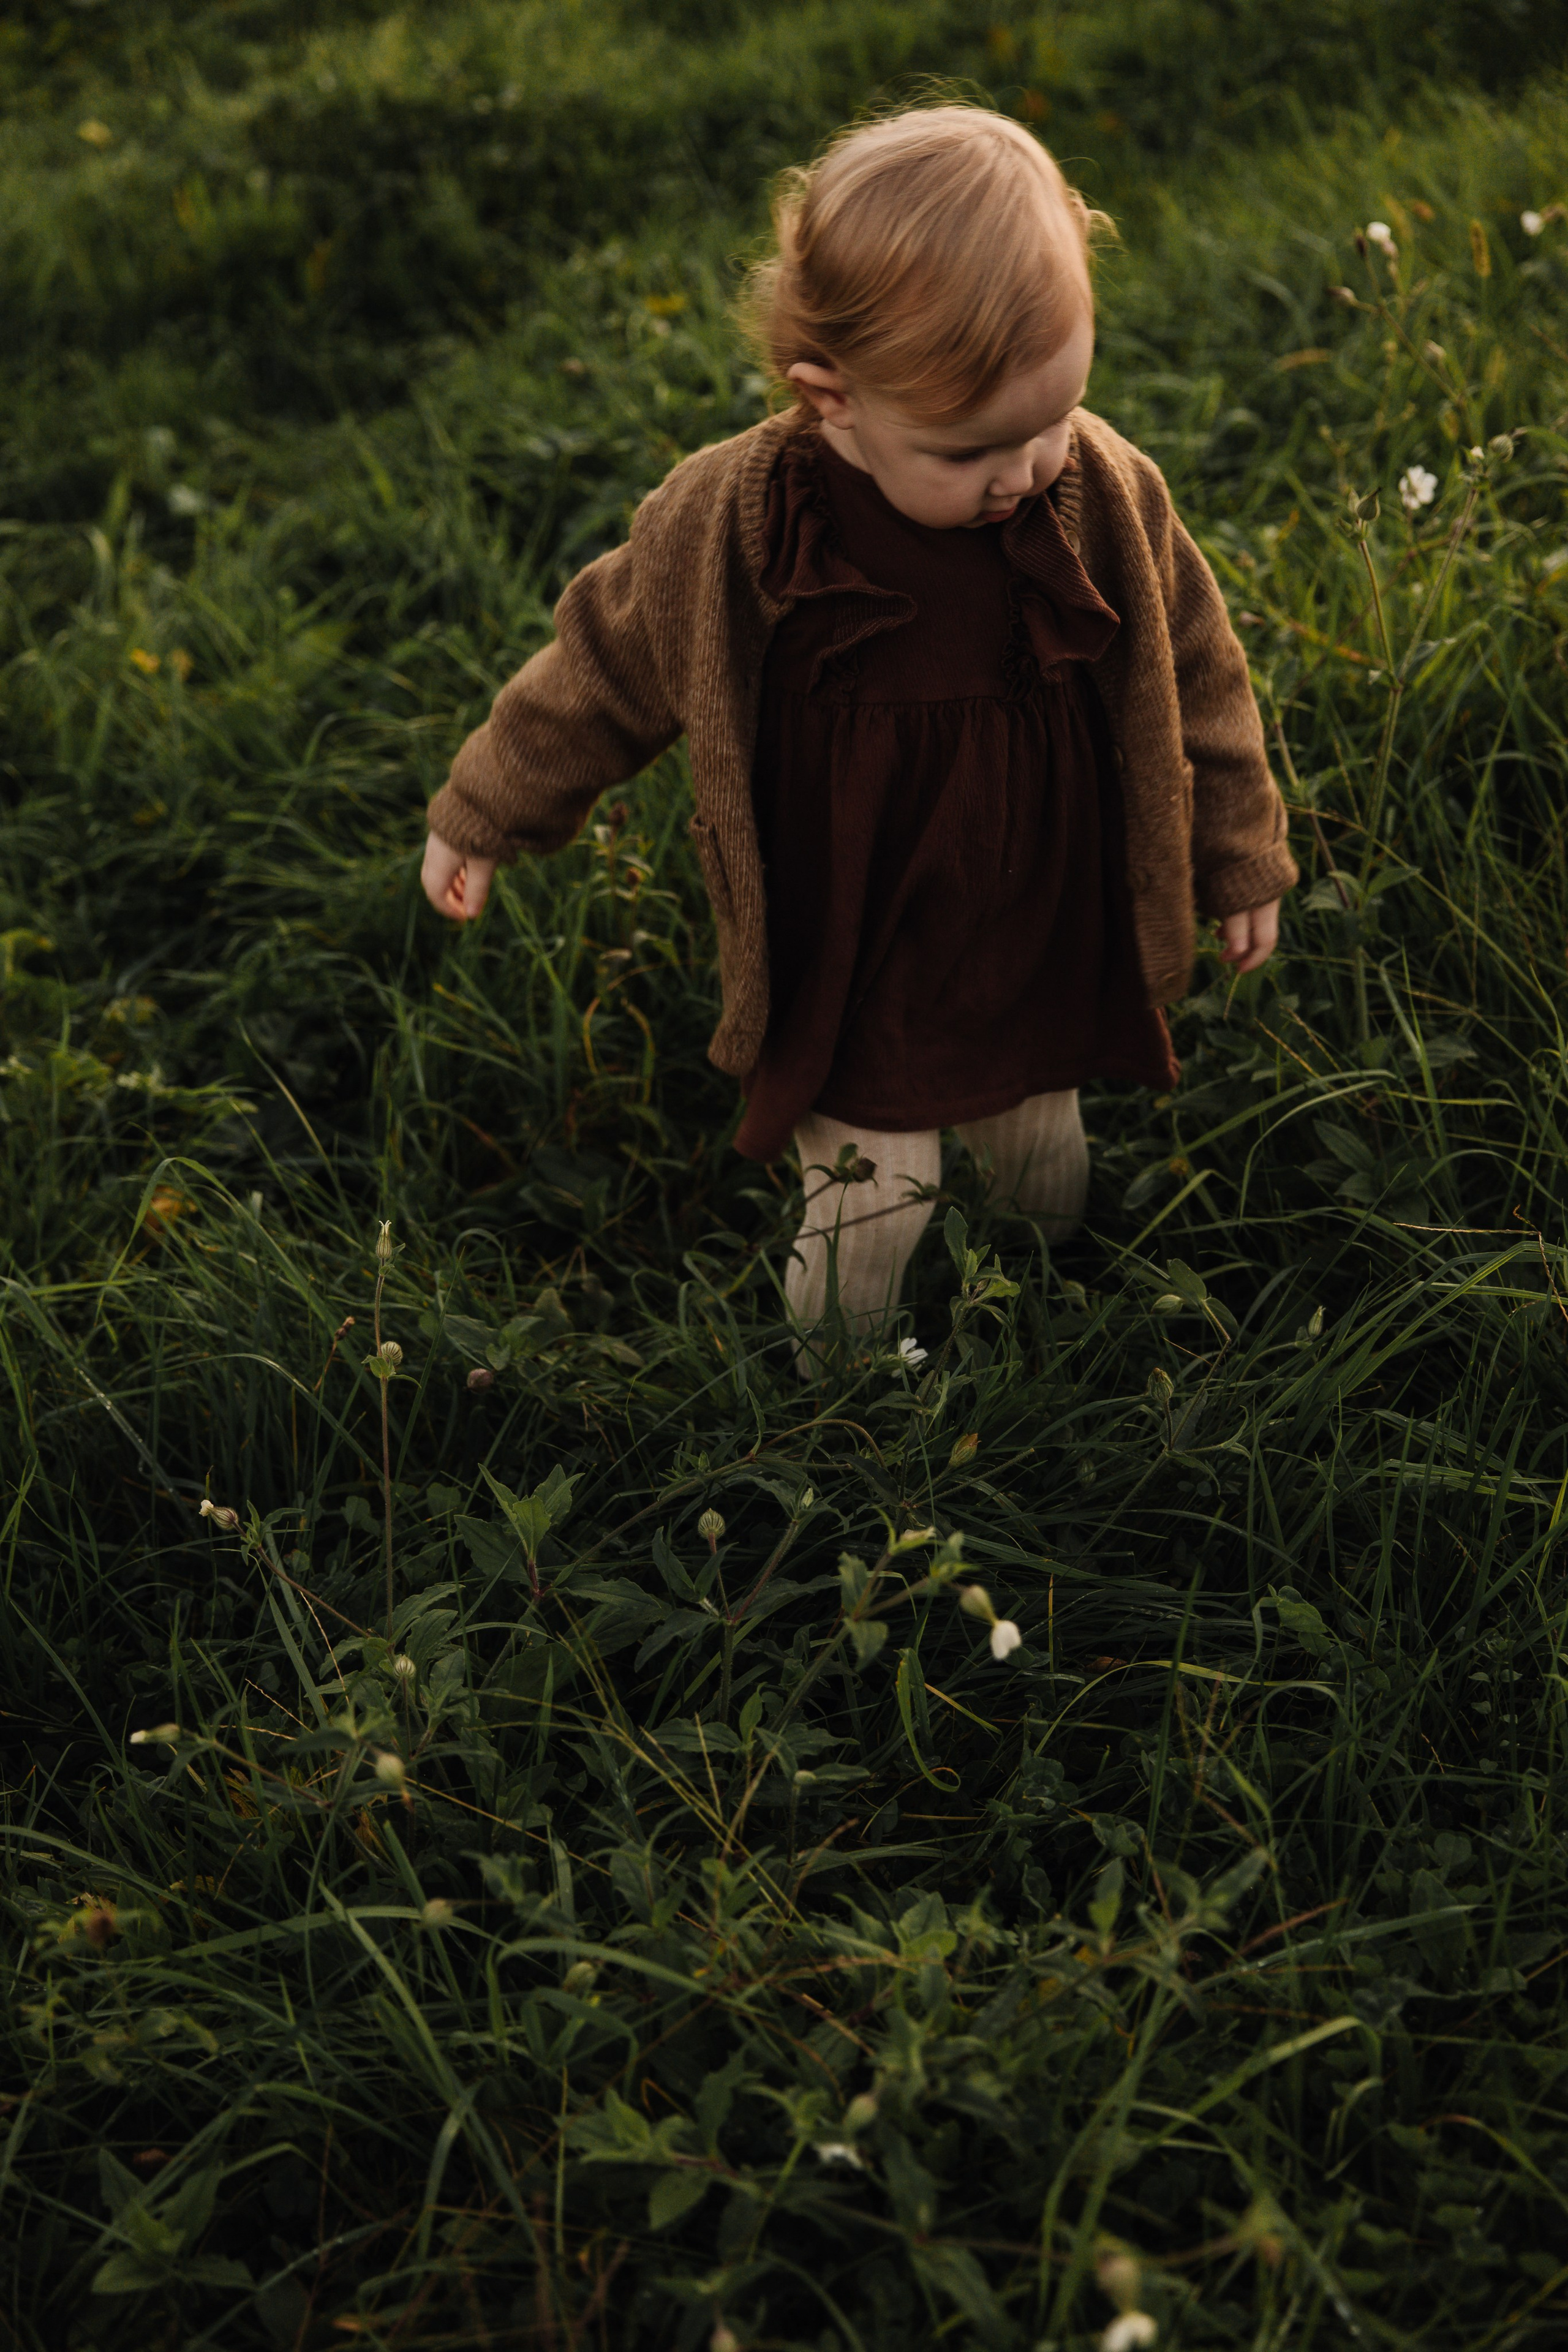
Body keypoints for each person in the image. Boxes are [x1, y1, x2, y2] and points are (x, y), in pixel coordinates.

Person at [421, 104, 1296, 1366]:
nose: (1024, 470)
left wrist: (1236, 850)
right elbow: (602, 664)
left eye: (1053, 417)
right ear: (828, 400)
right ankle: (840, 1397)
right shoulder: (736, 527)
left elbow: (1196, 670)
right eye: (969, 448)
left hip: (1035, 915)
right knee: (874, 1196)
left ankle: (1043, 1323)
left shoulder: (1097, 493)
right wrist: (488, 809)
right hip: (855, 932)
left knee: (1041, 1150)